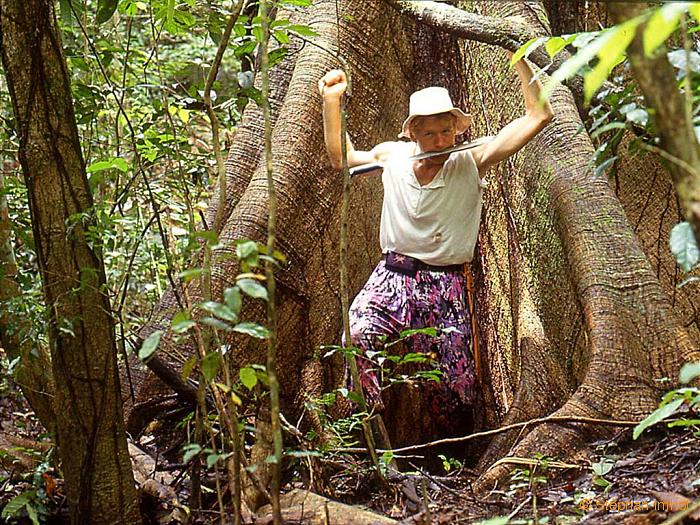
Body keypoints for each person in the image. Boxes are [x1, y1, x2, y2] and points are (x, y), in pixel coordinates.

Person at [318, 54, 554, 434]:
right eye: (430, 134)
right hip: (393, 274)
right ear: (412, 133)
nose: (440, 141)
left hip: (448, 282)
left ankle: (456, 453)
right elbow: (340, 157)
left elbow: (537, 117)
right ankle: (369, 430)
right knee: (356, 335)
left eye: (447, 132)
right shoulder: (391, 157)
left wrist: (521, 61)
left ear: (457, 130)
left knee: (455, 382)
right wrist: (332, 101)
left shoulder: (472, 159)